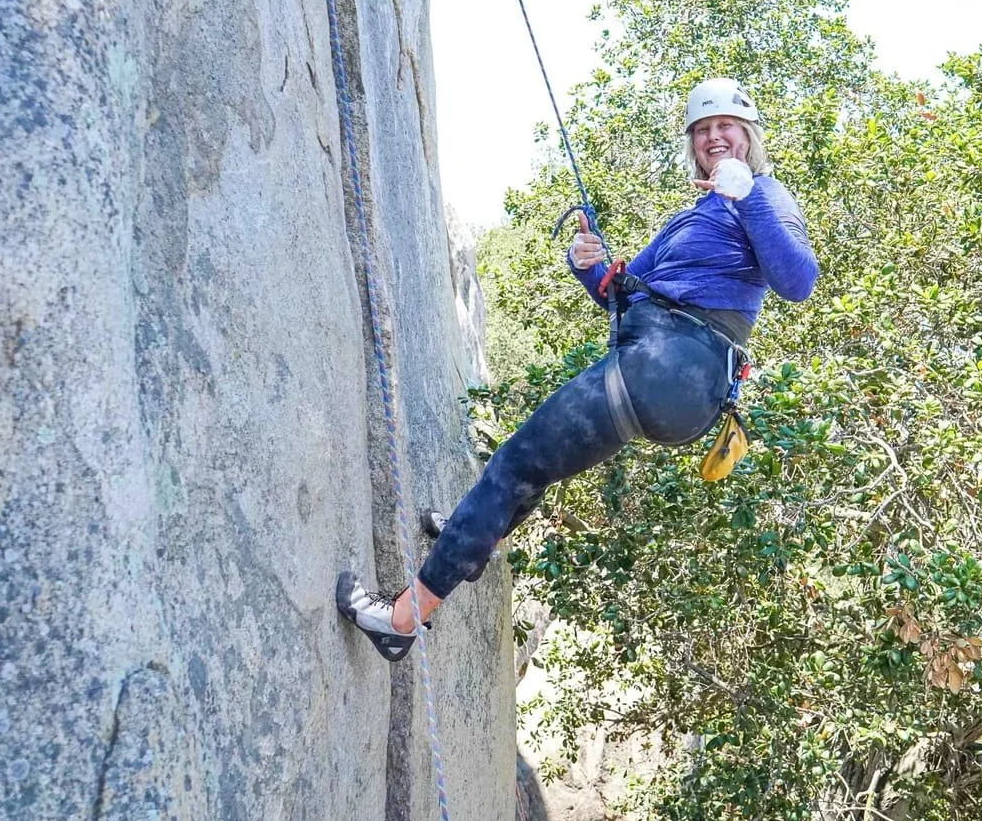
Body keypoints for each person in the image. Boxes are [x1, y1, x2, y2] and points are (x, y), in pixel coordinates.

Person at [336, 77, 818, 661]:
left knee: (515, 463)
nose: (714, 138)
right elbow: (622, 294)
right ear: (693, 145)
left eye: (727, 128)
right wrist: (588, 264)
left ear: (749, 137)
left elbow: (798, 280)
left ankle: (401, 620)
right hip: (670, 375)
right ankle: (469, 537)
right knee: (533, 467)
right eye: (703, 130)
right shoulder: (694, 217)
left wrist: (747, 195)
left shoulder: (765, 194)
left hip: (672, 364)